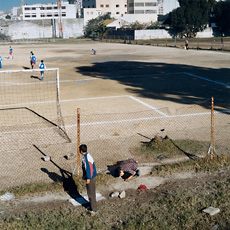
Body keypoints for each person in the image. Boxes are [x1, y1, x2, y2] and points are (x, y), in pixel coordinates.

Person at [79, 144, 98, 215]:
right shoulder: (87, 156)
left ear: (81, 151)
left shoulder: (86, 158)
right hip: (91, 176)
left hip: (91, 177)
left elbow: (89, 169)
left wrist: (88, 178)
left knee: (91, 193)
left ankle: (94, 209)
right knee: (90, 192)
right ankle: (92, 206)